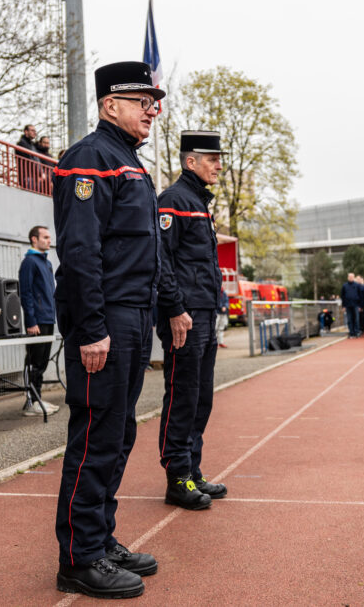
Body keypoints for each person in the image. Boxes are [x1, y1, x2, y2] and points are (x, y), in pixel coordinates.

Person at [52, 61, 164, 599]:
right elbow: (80, 252)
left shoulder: (128, 161)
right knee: (96, 436)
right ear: (109, 105)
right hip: (107, 319)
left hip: (133, 316)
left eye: (153, 102)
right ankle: (79, 557)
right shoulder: (91, 157)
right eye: (142, 101)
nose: (151, 110)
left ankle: (100, 539)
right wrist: (93, 327)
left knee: (118, 435)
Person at [156, 129, 230, 513]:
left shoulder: (199, 202)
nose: (218, 166)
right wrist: (174, 309)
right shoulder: (174, 200)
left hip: (204, 311)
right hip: (184, 315)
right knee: (182, 396)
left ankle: (193, 470)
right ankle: (178, 477)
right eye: (212, 159)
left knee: (201, 397)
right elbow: (161, 261)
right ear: (191, 162)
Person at [18, 225, 60, 416]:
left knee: (42, 363)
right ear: (34, 239)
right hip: (37, 321)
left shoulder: (47, 263)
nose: (49, 240)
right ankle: (30, 402)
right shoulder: (29, 262)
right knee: (33, 362)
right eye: (45, 237)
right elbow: (26, 293)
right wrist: (31, 321)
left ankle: (37, 399)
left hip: (48, 318)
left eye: (49, 237)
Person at [340, 273, 362, 338]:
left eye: (352, 277)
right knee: (349, 319)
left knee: (356, 319)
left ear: (354, 278)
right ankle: (351, 332)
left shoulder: (357, 285)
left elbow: (360, 296)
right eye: (350, 277)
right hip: (348, 305)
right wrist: (343, 306)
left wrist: (360, 306)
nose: (351, 278)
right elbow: (342, 296)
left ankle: (356, 332)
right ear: (348, 277)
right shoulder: (344, 286)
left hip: (356, 305)